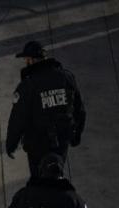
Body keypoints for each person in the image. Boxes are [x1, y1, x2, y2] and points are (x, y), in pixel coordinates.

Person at [6, 40, 87, 177]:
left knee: (38, 180)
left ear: (31, 60)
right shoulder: (66, 77)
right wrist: (76, 134)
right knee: (56, 174)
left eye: (26, 59)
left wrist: (11, 144)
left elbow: (18, 118)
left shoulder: (27, 85)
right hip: (62, 140)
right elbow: (79, 110)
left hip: (37, 142)